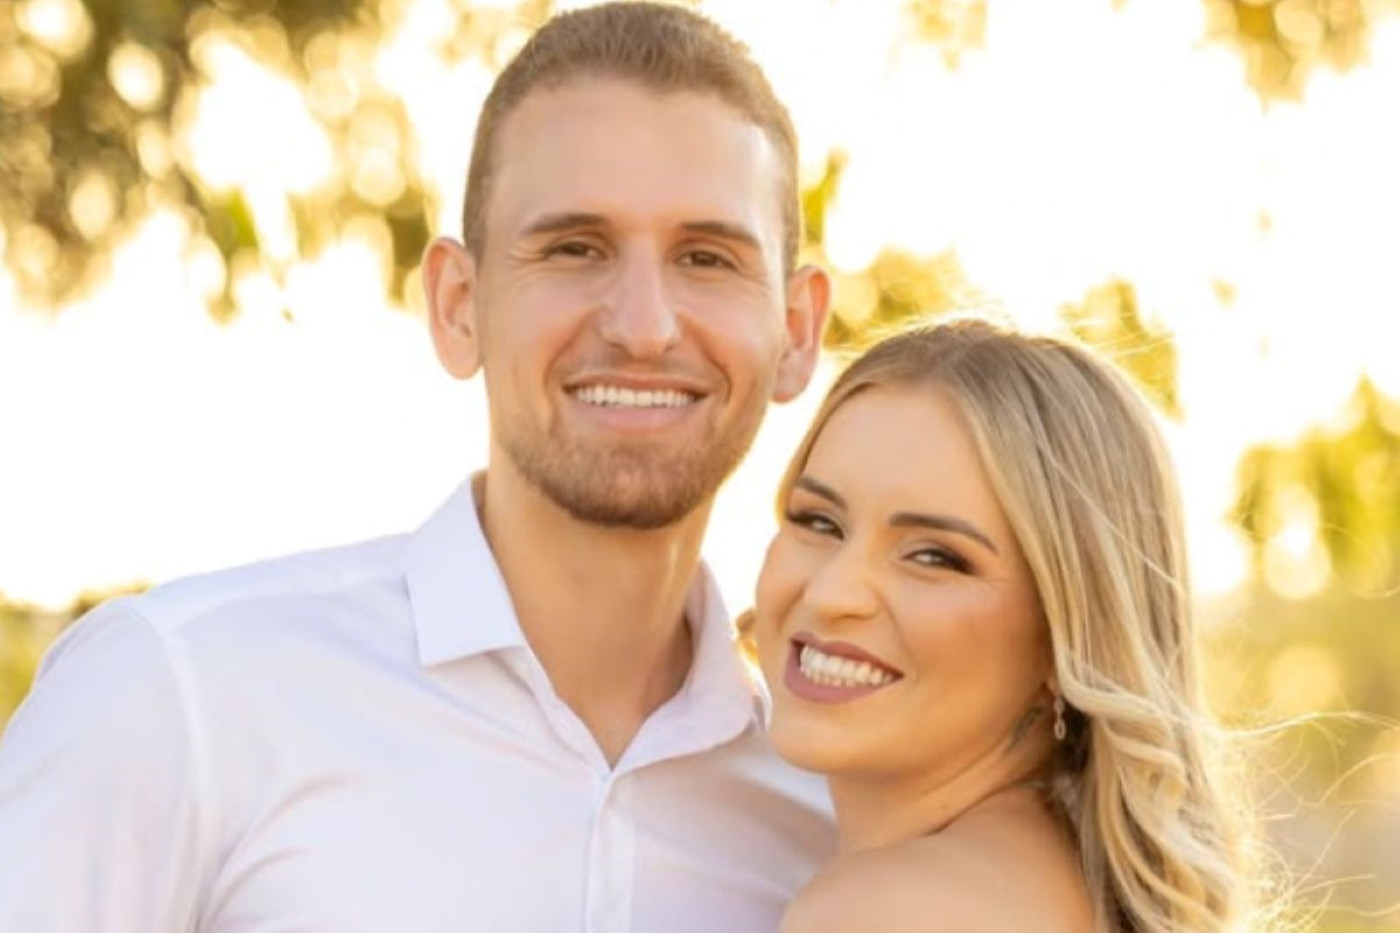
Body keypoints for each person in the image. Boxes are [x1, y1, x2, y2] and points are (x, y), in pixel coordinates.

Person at [0, 4, 837, 930]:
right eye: (574, 248)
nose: (643, 325)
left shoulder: (830, 827)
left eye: (707, 257)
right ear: (457, 305)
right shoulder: (179, 694)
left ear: (798, 330)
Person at [750, 318, 1255, 932]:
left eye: (934, 557)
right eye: (819, 522)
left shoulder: (888, 911)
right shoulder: (1053, 884)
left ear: (1068, 637)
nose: (831, 594)